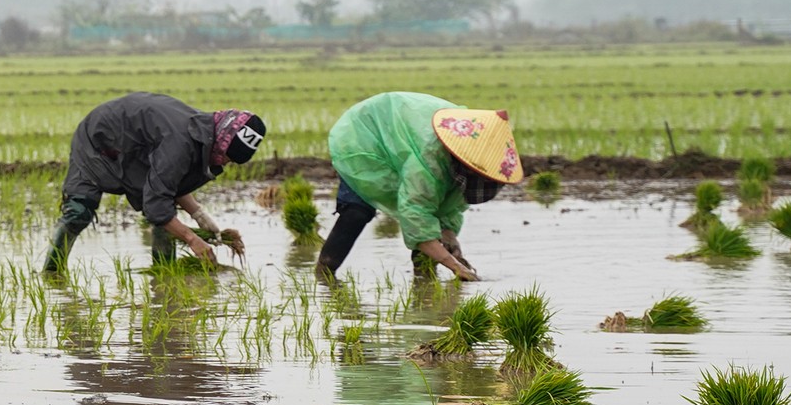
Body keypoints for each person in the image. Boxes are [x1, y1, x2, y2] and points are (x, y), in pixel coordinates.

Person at [42, 94, 266, 272]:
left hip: (130, 147)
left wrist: (198, 214)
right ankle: (52, 272)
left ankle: (164, 273)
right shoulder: (181, 141)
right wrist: (193, 239)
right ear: (223, 137)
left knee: (164, 211)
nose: (226, 162)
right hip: (98, 140)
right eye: (228, 155)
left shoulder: (202, 133)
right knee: (80, 209)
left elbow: (167, 182)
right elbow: (157, 202)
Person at [315, 92, 523, 282]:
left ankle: (423, 283)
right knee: (357, 211)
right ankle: (324, 274)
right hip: (365, 137)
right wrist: (456, 267)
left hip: (405, 145)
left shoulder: (479, 153)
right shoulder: (429, 162)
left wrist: (451, 240)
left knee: (433, 226)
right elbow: (416, 216)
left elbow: (449, 207)